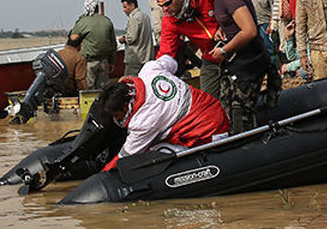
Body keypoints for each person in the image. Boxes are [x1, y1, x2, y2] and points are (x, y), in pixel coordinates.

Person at [185, 0, 273, 133]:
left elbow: (249, 30)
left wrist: (225, 50)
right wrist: (221, 28)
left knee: (242, 120)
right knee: (228, 114)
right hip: (238, 65)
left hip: (248, 63)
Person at [95, 54, 231, 166]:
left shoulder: (143, 121)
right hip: (214, 109)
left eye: (118, 115)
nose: (117, 119)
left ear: (125, 106)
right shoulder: (149, 70)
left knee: (152, 154)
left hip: (210, 133)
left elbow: (124, 157)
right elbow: (171, 62)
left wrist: (102, 175)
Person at [155, 0, 223, 97]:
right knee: (209, 100)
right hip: (211, 56)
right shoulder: (170, 20)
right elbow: (166, 53)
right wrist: (153, 72)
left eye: (167, 3)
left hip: (235, 48)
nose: (165, 9)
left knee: (239, 103)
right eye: (161, 5)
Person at [71, 0, 117, 89]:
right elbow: (113, 44)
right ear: (97, 7)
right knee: (103, 89)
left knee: (89, 89)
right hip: (104, 61)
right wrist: (111, 61)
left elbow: (73, 38)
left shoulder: (82, 22)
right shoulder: (106, 21)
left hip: (89, 62)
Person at [119, 0, 155, 77]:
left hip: (135, 58)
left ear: (132, 6)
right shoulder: (145, 16)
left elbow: (131, 38)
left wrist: (123, 39)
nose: (123, 10)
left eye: (125, 7)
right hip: (147, 56)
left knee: (131, 82)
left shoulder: (134, 18)